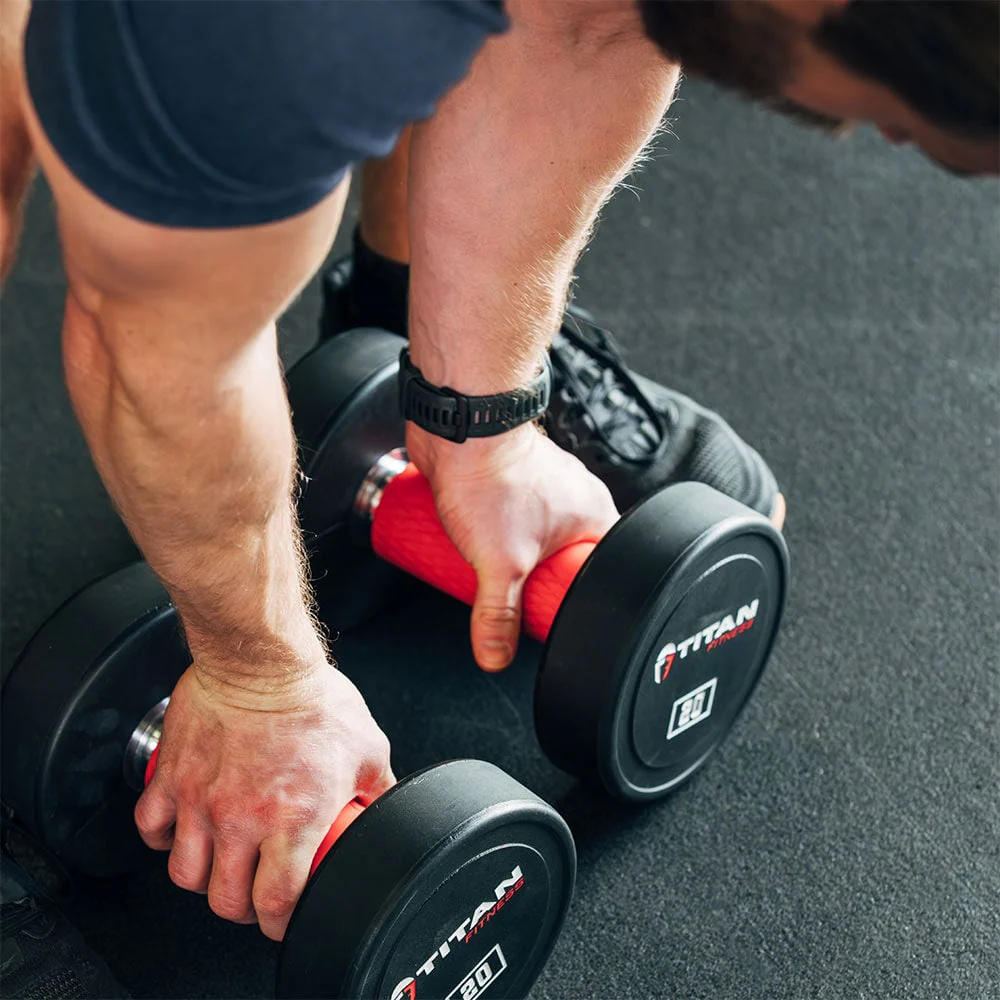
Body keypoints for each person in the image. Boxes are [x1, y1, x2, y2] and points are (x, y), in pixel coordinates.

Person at [0, 0, 995, 958]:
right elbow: (163, 352)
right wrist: (257, 677)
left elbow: (583, 28)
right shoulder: (272, 34)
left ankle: (407, 328)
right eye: (901, 124)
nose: (870, 136)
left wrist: (480, 415)